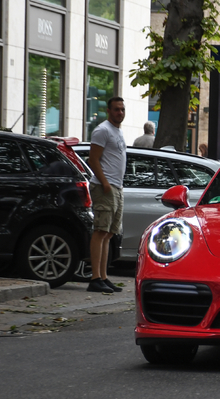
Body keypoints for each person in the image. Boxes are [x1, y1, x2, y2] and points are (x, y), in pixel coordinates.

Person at [87, 96, 126, 294]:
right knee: (101, 231)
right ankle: (95, 278)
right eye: (116, 109)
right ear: (109, 111)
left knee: (109, 233)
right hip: (106, 187)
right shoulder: (102, 130)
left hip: (116, 188)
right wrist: (104, 184)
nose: (120, 112)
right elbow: (93, 160)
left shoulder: (117, 131)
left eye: (122, 109)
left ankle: (103, 277)